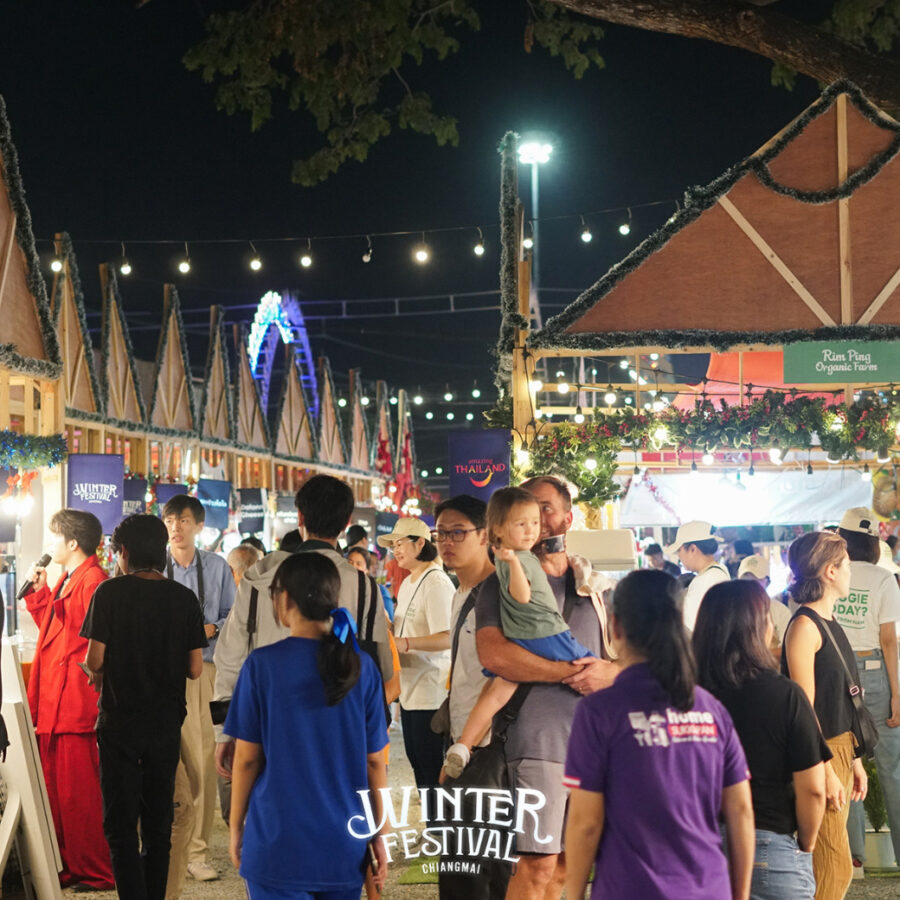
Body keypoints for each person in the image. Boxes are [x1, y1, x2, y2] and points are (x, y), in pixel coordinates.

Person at [564, 569, 754, 900]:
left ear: (615, 627)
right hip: (708, 889)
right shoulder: (711, 710)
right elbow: (741, 812)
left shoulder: (600, 711)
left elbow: (586, 822)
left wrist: (575, 893)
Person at [476, 475, 617, 900]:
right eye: (525, 511)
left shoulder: (596, 586)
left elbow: (631, 660)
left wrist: (609, 674)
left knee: (572, 865)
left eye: (544, 509)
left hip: (593, 744)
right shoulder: (500, 582)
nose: (534, 520)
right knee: (536, 864)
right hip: (536, 741)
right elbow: (494, 655)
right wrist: (568, 672)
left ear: (568, 519)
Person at [226, 552, 388, 899]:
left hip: (276, 840)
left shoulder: (261, 665)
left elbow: (247, 759)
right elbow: (375, 761)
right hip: (344, 843)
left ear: (284, 599)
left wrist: (236, 827)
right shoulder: (361, 667)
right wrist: (380, 832)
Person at [214, 475, 392, 782]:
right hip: (340, 736)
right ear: (346, 522)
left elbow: (229, 656)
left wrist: (224, 733)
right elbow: (381, 669)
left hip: (267, 731)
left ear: (300, 517)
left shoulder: (258, 579)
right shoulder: (364, 587)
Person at [81, 514, 207, 900]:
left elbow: (95, 660)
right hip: (165, 723)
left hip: (119, 722)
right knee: (158, 825)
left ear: (124, 552)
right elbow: (195, 668)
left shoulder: (109, 593)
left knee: (121, 827)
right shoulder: (183, 598)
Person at [443, 487, 593, 778]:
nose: (533, 528)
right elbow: (521, 597)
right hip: (545, 634)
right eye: (522, 522)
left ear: (568, 517)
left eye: (537, 518)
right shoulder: (518, 560)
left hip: (523, 641)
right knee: (590, 668)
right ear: (499, 528)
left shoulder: (517, 561)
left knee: (498, 691)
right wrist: (513, 562)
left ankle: (463, 745)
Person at [694, 579, 830, 900]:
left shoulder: (682, 695)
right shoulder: (785, 695)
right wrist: (807, 843)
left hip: (695, 847)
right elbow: (812, 789)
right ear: (759, 628)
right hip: (769, 846)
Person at [23, 509, 114, 889]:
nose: (50, 544)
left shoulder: (94, 580)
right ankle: (68, 864)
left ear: (73, 542)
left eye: (55, 537)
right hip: (56, 702)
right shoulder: (69, 578)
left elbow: (92, 641)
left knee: (80, 795)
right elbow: (57, 632)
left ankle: (95, 870)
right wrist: (40, 593)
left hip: (76, 702)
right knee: (59, 794)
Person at [431, 494, 510, 900]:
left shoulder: (499, 594)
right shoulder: (460, 591)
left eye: (458, 532)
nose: (447, 541)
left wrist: (465, 744)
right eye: (441, 533)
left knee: (481, 868)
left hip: (488, 747)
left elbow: (506, 676)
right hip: (462, 742)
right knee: (460, 864)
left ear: (485, 535)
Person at [781, 530, 869, 900]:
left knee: (833, 866)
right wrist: (826, 768)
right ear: (830, 571)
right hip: (824, 754)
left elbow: (840, 698)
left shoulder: (827, 620)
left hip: (841, 749)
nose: (851, 571)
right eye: (846, 565)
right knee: (834, 867)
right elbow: (804, 707)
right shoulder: (805, 626)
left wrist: (855, 759)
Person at [162, 495, 236, 885]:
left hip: (202, 671)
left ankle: (197, 851)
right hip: (161, 671)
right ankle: (166, 844)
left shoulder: (217, 567)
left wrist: (211, 628)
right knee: (162, 760)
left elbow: (233, 616)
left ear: (199, 525)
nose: (176, 527)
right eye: (170, 520)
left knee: (202, 761)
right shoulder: (155, 566)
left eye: (184, 520)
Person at [833, 508, 900, 870]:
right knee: (893, 769)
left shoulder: (830, 572)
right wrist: (897, 693)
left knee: (846, 763)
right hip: (876, 671)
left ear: (841, 538)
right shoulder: (884, 578)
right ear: (875, 542)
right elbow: (889, 640)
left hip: (838, 672)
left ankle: (854, 859)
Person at [377, 517, 454, 790]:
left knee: (431, 770)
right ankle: (430, 816)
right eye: (393, 546)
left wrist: (405, 643)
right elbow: (407, 628)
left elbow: (447, 636)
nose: (395, 550)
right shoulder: (410, 581)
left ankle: (439, 818)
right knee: (418, 764)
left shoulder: (436, 582)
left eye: (400, 544)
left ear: (420, 543)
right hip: (410, 690)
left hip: (431, 692)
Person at [666, 520, 729, 631]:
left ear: (692, 549)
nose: (678, 556)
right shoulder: (718, 571)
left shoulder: (705, 580)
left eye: (679, 550)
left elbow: (689, 628)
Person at [738, 553, 792, 651]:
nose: (749, 584)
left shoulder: (780, 611)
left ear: (767, 581)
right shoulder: (731, 612)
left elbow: (786, 649)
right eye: (745, 579)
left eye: (755, 580)